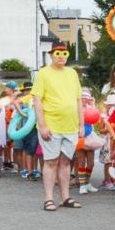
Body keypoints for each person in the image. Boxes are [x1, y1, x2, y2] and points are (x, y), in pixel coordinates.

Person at [31, 40, 83, 210]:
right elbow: (37, 100)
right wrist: (43, 124)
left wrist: (81, 124)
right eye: (57, 53)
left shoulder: (72, 74)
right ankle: (48, 198)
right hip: (52, 125)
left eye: (64, 53)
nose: (61, 57)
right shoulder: (44, 74)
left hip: (71, 126)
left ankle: (65, 197)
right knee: (51, 161)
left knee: (66, 162)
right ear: (51, 55)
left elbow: (78, 100)